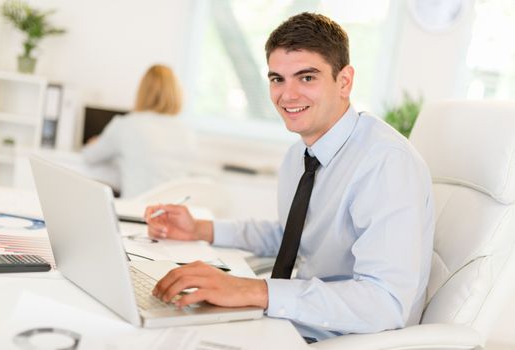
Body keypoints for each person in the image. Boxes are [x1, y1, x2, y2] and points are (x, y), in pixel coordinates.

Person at [145, 13, 434, 342]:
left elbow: (385, 303)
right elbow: (292, 235)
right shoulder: (300, 155)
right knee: (163, 324)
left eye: (306, 78)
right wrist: (201, 229)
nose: (287, 94)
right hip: (298, 319)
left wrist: (257, 292)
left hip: (345, 338)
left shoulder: (384, 163)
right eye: (277, 79)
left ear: (344, 81)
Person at [82, 64, 197, 198]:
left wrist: (94, 143)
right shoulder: (187, 132)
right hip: (170, 215)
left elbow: (89, 156)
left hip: (136, 213)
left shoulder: (127, 124)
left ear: (143, 92)